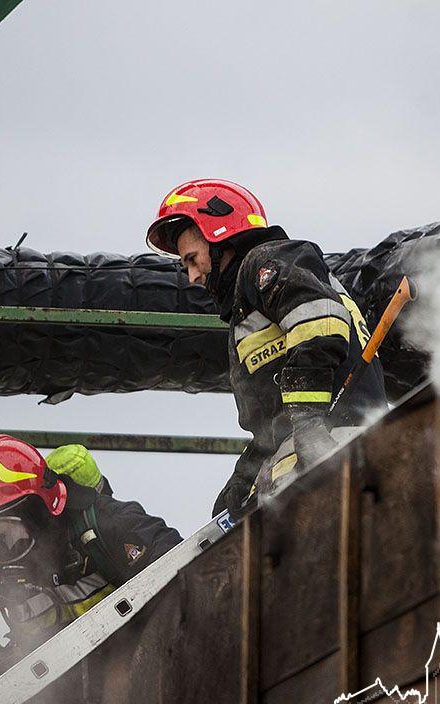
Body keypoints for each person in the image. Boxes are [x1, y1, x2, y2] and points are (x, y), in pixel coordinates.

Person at [145, 178, 387, 515]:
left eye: (191, 258)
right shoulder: (249, 305)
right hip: (317, 458)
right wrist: (246, 474)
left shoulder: (266, 261)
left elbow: (319, 325)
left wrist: (307, 423)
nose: (192, 277)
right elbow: (274, 418)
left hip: (338, 445)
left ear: (218, 236)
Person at [0, 435, 180, 704]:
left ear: (41, 510)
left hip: (124, 671)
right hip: (43, 696)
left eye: (8, 530)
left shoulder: (110, 524)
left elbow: (178, 571)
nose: (3, 546)